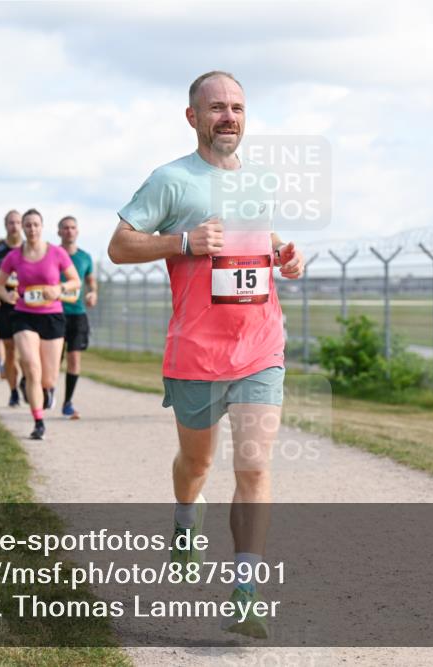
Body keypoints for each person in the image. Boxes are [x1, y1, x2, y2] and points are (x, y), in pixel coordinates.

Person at [108, 71, 304, 639]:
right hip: (195, 353)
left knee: (255, 465)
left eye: (238, 107)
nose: (229, 116)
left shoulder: (260, 182)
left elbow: (256, 244)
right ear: (192, 116)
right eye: (216, 107)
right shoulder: (170, 181)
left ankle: (245, 589)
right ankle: (185, 518)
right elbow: (120, 246)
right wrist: (184, 242)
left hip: (260, 347)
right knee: (196, 465)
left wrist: (283, 256)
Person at [0, 209, 80, 440]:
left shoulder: (56, 253)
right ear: (22, 228)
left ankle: (45, 389)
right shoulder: (14, 256)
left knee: (48, 378)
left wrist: (59, 288)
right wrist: (7, 296)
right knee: (32, 366)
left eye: (35, 225)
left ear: (42, 227)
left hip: (52, 316)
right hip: (24, 315)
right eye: (28, 225)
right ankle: (38, 421)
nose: (32, 229)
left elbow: (75, 281)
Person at [57, 215, 98, 419]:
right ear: (59, 232)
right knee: (54, 360)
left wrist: (92, 293)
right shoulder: (52, 255)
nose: (69, 231)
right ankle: (43, 391)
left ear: (77, 231)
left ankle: (67, 403)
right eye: (65, 228)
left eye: (73, 227)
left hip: (77, 314)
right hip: (54, 313)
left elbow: (91, 282)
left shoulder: (85, 257)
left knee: (74, 359)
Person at [0, 211, 24, 406]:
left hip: (27, 305)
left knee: (28, 349)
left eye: (18, 222)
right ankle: (13, 390)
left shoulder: (31, 249)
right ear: (5, 225)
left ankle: (27, 380)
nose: (14, 226)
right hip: (4, 306)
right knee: (9, 350)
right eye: (11, 222)